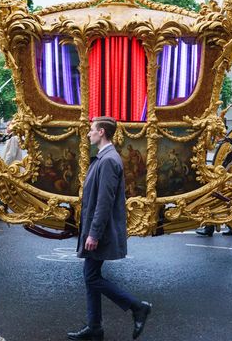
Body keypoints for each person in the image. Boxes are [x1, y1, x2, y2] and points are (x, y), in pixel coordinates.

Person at [67, 117, 152, 341]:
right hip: (97, 229)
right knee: (91, 275)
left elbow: (104, 201)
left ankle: (137, 306)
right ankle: (95, 327)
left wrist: (94, 233)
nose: (88, 134)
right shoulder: (106, 158)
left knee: (91, 277)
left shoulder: (108, 161)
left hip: (100, 231)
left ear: (101, 132)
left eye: (91, 130)